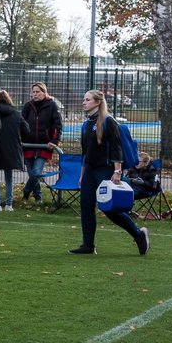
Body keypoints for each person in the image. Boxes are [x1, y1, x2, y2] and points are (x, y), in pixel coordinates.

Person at [70, 89, 149, 256]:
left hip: (106, 170)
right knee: (86, 205)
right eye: (84, 99)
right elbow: (85, 153)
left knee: (110, 208)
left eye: (88, 99)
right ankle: (88, 245)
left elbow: (116, 148)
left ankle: (138, 234)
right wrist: (82, 175)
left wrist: (117, 171)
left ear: (97, 102)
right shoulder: (86, 124)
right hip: (90, 171)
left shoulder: (108, 121)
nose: (84, 102)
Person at [21, 82, 62, 205]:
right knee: (31, 173)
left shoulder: (52, 106)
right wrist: (21, 139)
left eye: (37, 92)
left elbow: (57, 125)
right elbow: (21, 123)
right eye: (33, 92)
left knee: (37, 172)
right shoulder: (28, 106)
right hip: (28, 144)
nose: (35, 94)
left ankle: (26, 192)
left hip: (44, 145)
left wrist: (54, 141)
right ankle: (38, 196)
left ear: (44, 92)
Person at [0, 90, 25, 212]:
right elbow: (26, 129)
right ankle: (9, 205)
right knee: (9, 177)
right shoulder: (15, 113)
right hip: (11, 148)